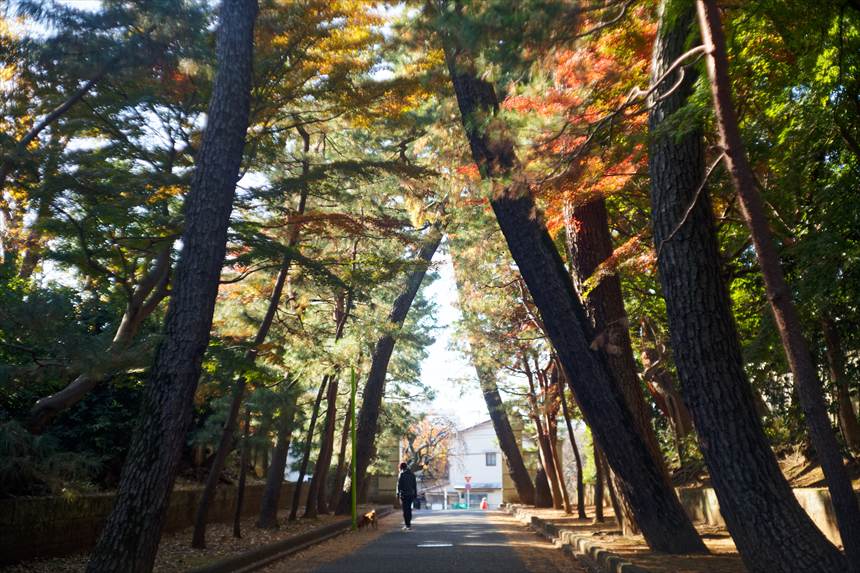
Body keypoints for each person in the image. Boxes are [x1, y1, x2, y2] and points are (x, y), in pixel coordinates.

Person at [396, 462, 417, 531]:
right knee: (409, 509)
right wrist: (415, 494)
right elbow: (414, 485)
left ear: (401, 468)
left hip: (404, 495)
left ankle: (407, 525)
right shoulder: (412, 475)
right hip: (411, 494)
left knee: (405, 510)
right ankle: (409, 524)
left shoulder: (401, 474)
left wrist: (398, 494)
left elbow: (399, 485)